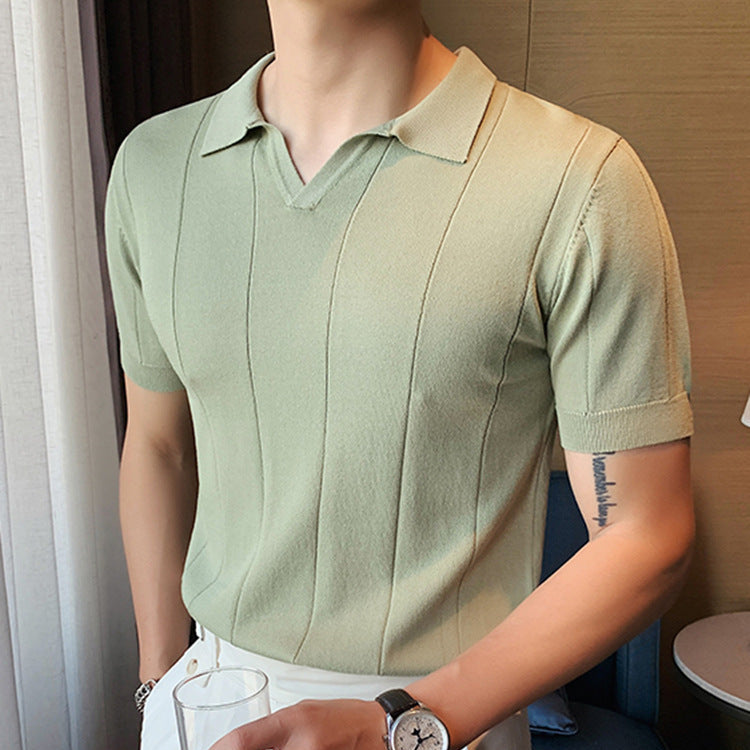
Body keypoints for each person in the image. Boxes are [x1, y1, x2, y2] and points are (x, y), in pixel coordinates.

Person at [104, 1, 695, 749]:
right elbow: (160, 445)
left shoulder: (580, 183)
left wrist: (409, 720)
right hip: (207, 699)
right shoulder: (154, 168)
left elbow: (646, 531)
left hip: (439, 718)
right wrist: (159, 682)